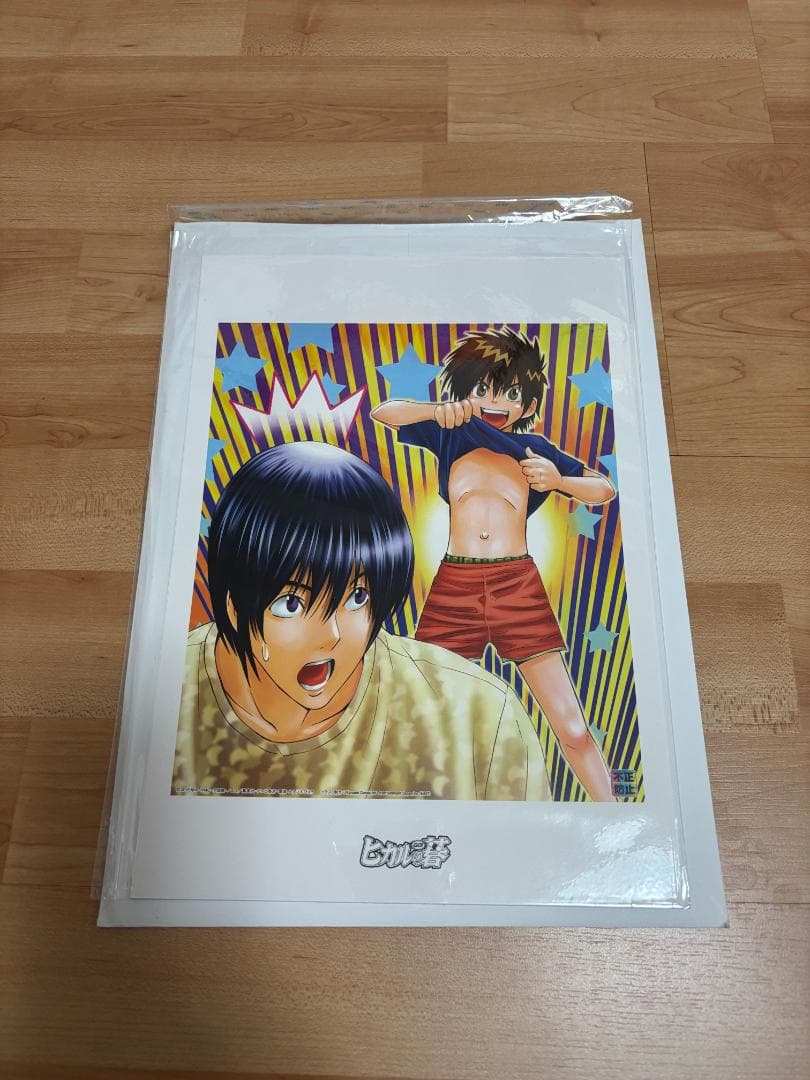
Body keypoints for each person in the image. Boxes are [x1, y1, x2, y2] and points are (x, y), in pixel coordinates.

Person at [172, 440, 550, 800]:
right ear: (235, 607)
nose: (331, 635)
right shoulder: (171, 690)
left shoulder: (477, 715)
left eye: (357, 597)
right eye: (292, 604)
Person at [372, 327, 617, 802]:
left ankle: (614, 816)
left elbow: (603, 488)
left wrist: (559, 480)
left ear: (528, 405)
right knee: (422, 716)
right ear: (465, 389)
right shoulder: (451, 433)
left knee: (572, 726)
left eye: (510, 393)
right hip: (455, 586)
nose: (495, 402)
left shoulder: (536, 450)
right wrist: (436, 411)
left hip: (516, 585)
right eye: (483, 388)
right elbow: (384, 412)